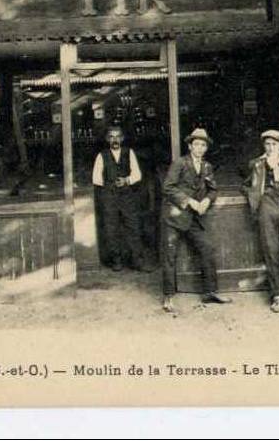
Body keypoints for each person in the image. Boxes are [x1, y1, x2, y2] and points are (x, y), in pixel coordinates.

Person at [160, 128, 231, 313]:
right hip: (174, 217)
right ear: (190, 146)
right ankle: (168, 297)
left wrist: (207, 200)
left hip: (194, 219)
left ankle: (210, 291)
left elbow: (213, 189)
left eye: (203, 145)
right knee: (169, 256)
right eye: (196, 144)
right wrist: (190, 201)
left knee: (207, 248)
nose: (199, 148)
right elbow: (167, 187)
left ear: (206, 148)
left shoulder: (207, 166)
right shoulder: (180, 163)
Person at [242, 129, 279, 313]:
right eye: (267, 144)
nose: (270, 147)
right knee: (271, 251)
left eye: (274, 144)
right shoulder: (256, 164)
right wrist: (254, 196)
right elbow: (245, 185)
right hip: (266, 207)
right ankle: (277, 295)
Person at [92, 126, 153, 272]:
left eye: (117, 136)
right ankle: (116, 260)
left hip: (127, 195)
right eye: (111, 137)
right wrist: (109, 187)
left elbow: (137, 174)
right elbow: (96, 179)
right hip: (109, 196)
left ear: (122, 138)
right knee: (111, 228)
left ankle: (137, 261)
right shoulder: (102, 155)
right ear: (108, 139)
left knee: (133, 227)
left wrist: (126, 180)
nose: (115, 140)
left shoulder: (129, 152)